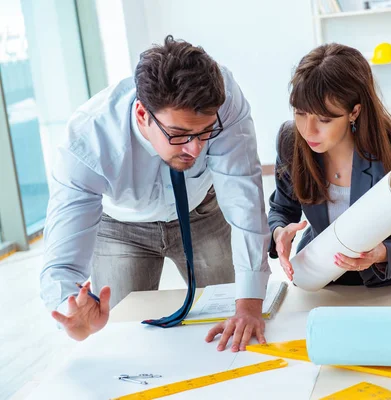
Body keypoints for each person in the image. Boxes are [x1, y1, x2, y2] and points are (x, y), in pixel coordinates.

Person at [41, 35, 271, 352]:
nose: (195, 149)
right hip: (120, 227)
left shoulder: (224, 100)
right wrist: (71, 316)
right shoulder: (87, 142)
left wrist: (248, 306)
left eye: (205, 133)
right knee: (119, 335)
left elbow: (245, 198)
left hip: (201, 211)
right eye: (179, 135)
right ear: (141, 114)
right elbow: (61, 265)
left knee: (234, 319)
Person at [268, 43, 391, 287]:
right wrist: (280, 233)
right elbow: (281, 209)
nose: (308, 130)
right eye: (300, 113)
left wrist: (381, 254)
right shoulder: (291, 142)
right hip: (323, 278)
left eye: (324, 119)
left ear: (354, 112)